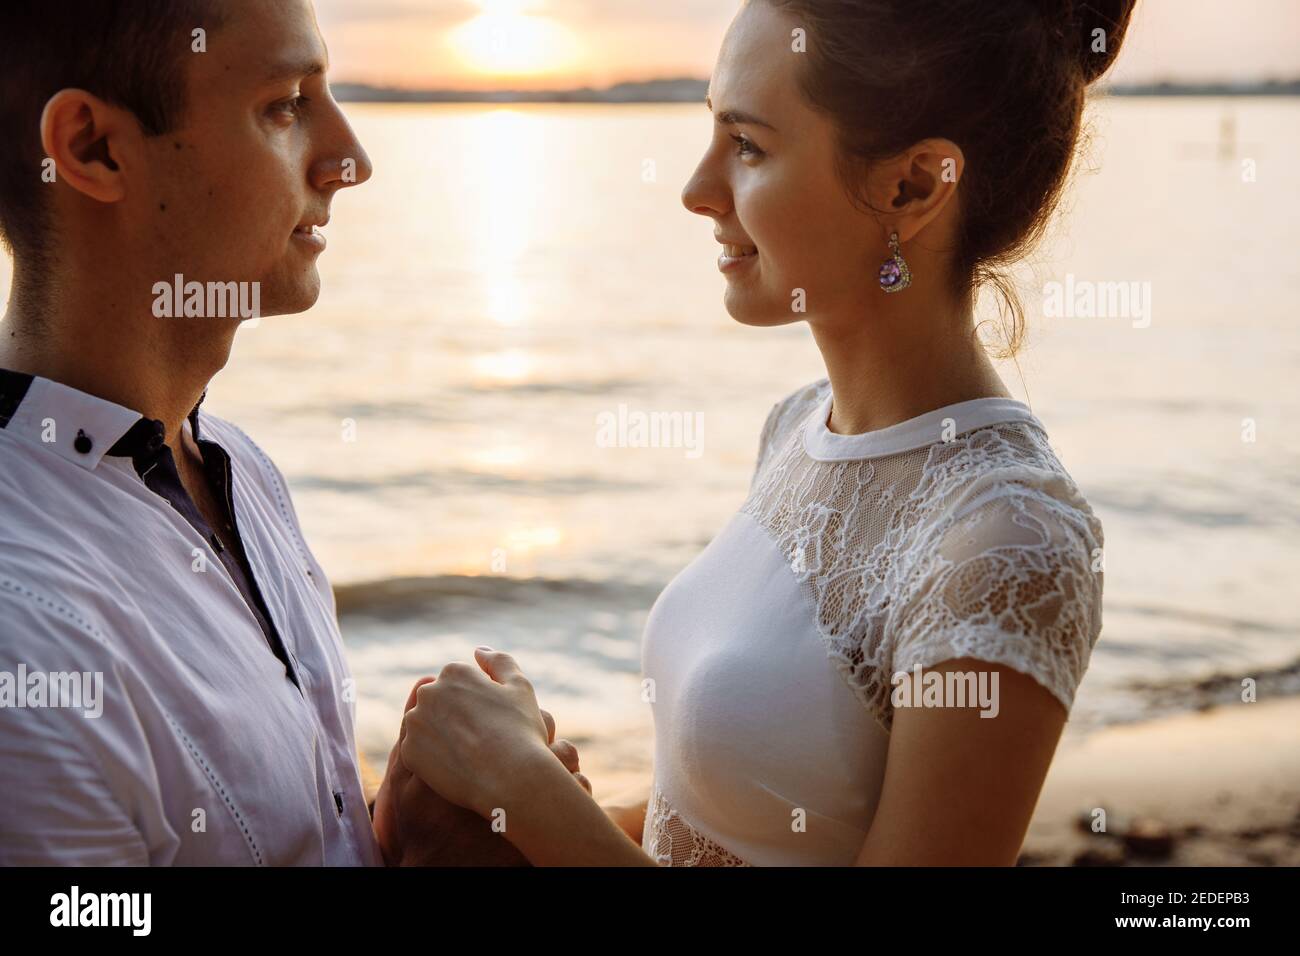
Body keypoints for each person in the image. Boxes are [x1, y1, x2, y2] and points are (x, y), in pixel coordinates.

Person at [398, 0, 1127, 866]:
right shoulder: (796, 428)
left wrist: (524, 787)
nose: (696, 189)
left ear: (916, 186)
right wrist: (501, 796)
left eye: (747, 146)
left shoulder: (1009, 541)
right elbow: (720, 820)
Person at [0, 0, 583, 866]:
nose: (351, 159)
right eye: (284, 105)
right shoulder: (28, 636)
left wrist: (406, 841)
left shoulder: (238, 469)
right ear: (94, 148)